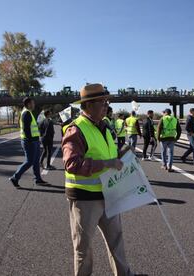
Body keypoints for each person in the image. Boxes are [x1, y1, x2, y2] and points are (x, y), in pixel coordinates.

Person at [62, 83, 134, 276]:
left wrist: (121, 156)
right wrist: (107, 163)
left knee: (116, 240)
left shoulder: (105, 125)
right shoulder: (75, 129)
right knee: (83, 247)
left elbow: (107, 155)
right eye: (103, 102)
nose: (106, 105)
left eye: (106, 101)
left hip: (108, 194)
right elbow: (72, 164)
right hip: (85, 198)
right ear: (89, 105)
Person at [9, 98, 48, 187]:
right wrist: (31, 141)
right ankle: (15, 177)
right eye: (33, 103)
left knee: (35, 161)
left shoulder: (28, 112)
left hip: (34, 141)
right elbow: (26, 130)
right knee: (29, 161)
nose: (34, 104)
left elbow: (31, 128)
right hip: (29, 142)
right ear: (29, 104)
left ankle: (38, 179)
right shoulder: (26, 113)